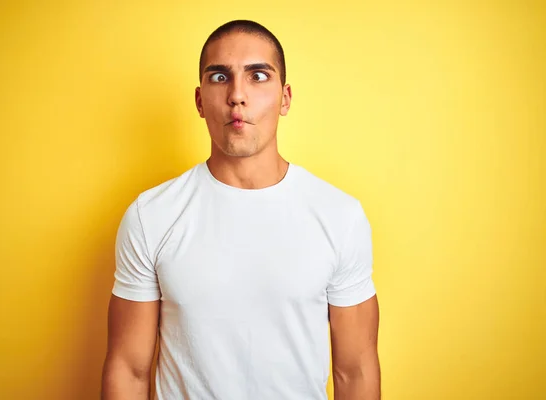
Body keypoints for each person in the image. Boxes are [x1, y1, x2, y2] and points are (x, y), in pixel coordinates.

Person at [101, 19, 380, 400]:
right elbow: (128, 369)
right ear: (200, 101)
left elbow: (356, 370)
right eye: (219, 77)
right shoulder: (152, 216)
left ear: (285, 98)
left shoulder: (339, 216)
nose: (237, 95)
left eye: (258, 76)